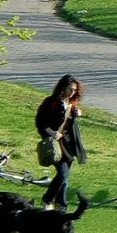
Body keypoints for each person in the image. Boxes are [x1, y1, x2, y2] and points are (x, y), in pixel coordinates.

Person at [34, 75, 86, 210]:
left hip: (70, 144)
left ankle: (60, 206)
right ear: (63, 87)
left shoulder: (72, 104)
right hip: (56, 144)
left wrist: (78, 113)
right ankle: (47, 200)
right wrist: (51, 133)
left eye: (74, 90)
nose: (72, 92)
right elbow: (40, 122)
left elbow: (71, 123)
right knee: (63, 174)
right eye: (70, 89)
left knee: (64, 177)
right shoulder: (51, 102)